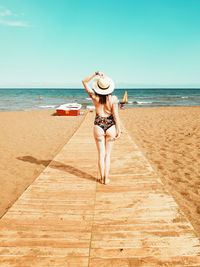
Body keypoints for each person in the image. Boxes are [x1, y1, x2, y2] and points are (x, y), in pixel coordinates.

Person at [82, 71, 121, 185]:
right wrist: (119, 130)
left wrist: (96, 74)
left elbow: (84, 81)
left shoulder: (94, 96)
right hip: (110, 126)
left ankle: (101, 177)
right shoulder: (113, 99)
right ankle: (106, 179)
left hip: (98, 125)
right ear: (109, 87)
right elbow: (116, 115)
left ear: (98, 87)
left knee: (101, 154)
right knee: (107, 155)